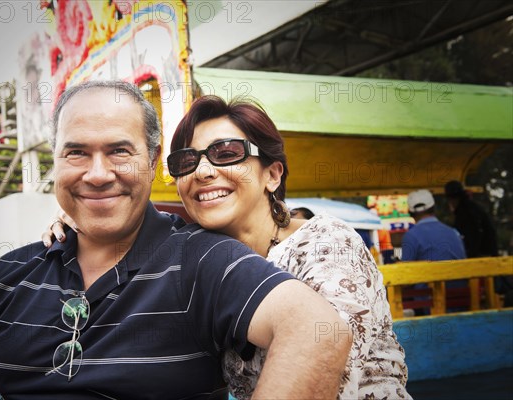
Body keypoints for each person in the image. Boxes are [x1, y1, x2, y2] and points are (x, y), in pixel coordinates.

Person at [0, 81, 351, 399]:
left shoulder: (202, 258)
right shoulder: (8, 275)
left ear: (152, 162)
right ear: (55, 161)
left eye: (119, 151)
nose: (97, 174)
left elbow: (316, 328)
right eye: (77, 153)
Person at [47, 95, 410, 399]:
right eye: (186, 161)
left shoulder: (327, 245)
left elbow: (330, 373)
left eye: (226, 152)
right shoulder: (197, 256)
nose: (202, 171)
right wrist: (87, 221)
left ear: (272, 174)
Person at [402, 189, 466, 262]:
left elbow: (406, 269)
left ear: (410, 213)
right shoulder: (454, 233)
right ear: (434, 208)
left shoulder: (411, 236)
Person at [444, 180, 498, 258]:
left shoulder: (464, 213)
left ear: (451, 199)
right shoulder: (473, 208)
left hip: (480, 257)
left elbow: (473, 238)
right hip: (488, 254)